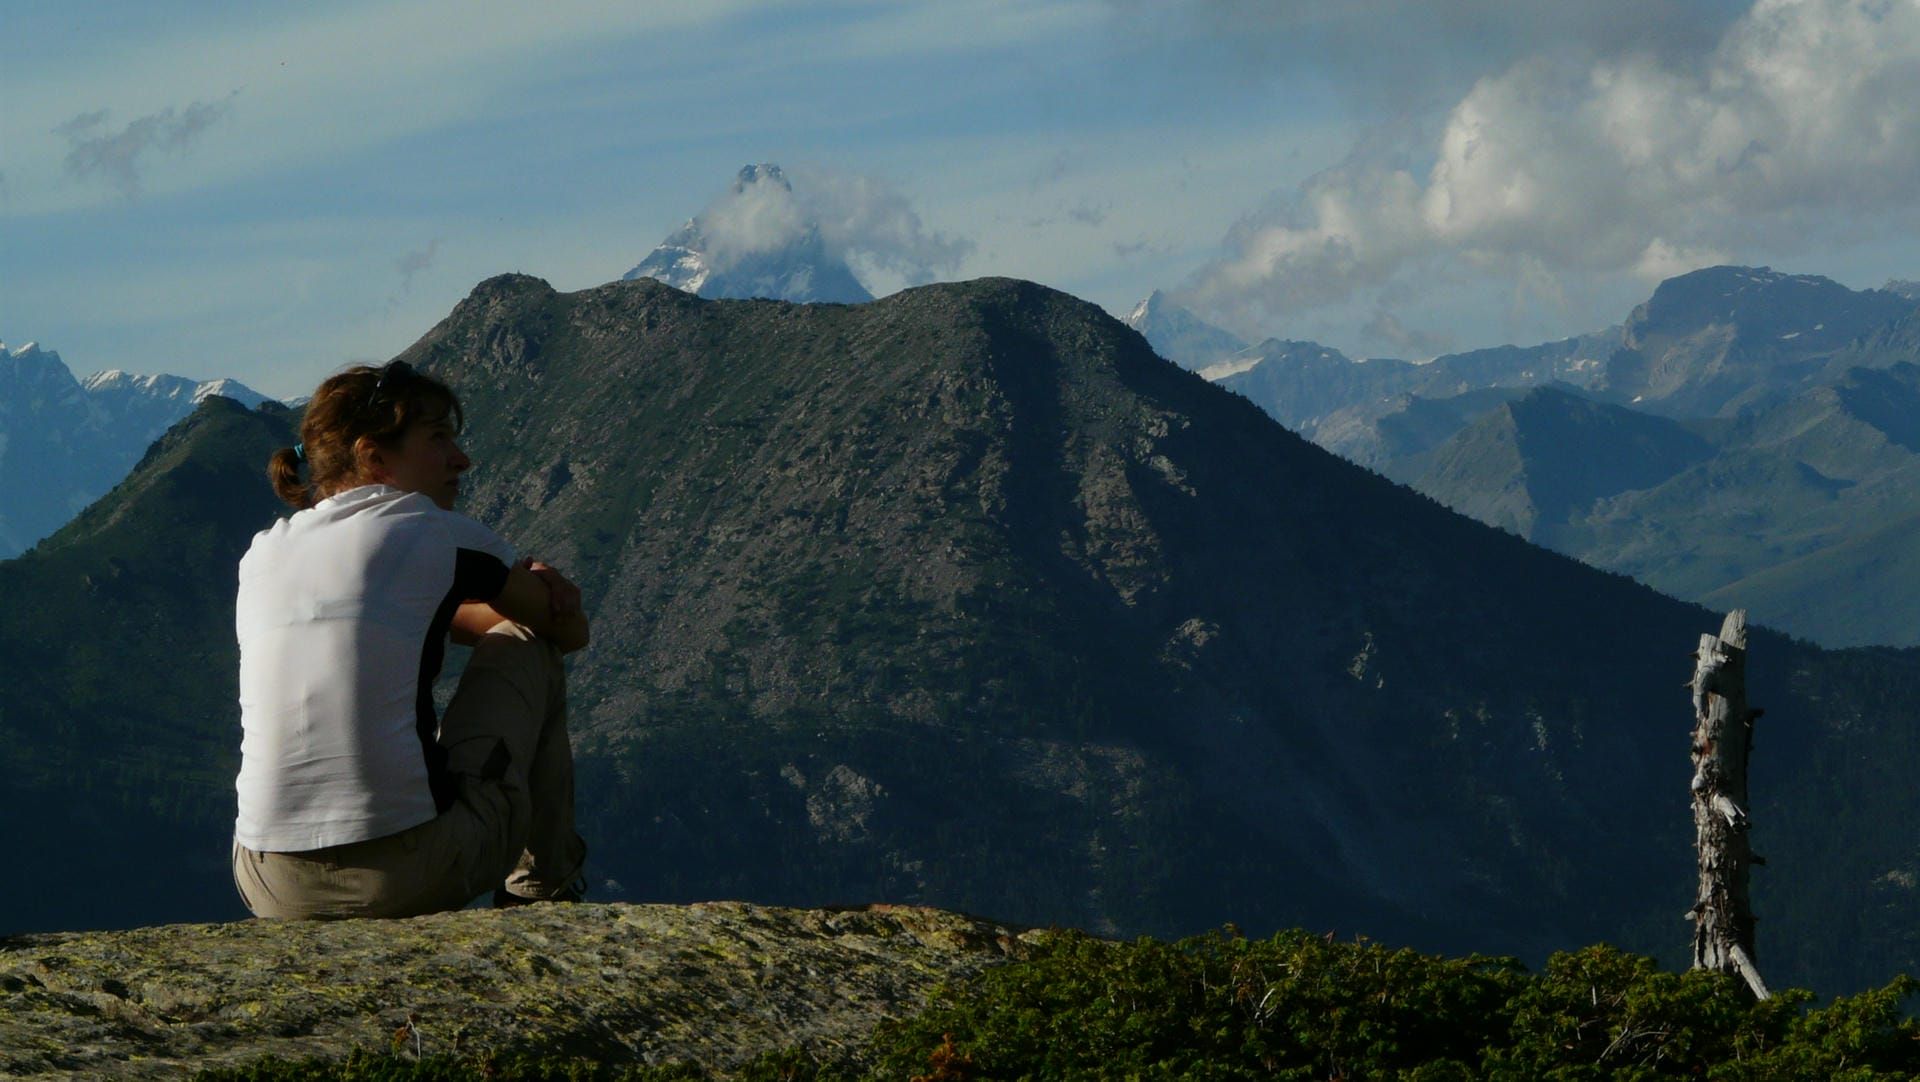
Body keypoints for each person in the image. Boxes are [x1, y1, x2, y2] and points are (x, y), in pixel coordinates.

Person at [231, 360, 589, 919]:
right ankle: (544, 891)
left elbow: (422, 618)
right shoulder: (431, 528)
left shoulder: (263, 551)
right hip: (402, 872)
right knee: (527, 642)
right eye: (438, 438)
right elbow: (566, 632)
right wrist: (544, 585)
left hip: (267, 881)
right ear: (375, 457)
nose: (461, 459)